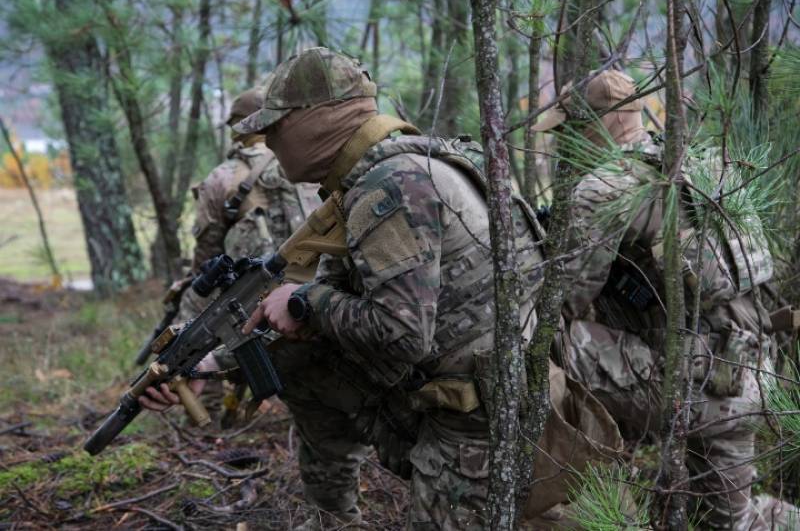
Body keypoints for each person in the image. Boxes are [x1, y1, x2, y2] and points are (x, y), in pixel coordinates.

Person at [143, 47, 548, 530]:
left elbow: (401, 332)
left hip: (481, 421)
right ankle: (330, 518)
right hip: (475, 388)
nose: (268, 143)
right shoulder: (389, 169)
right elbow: (340, 305)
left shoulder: (389, 187)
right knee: (297, 361)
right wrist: (213, 363)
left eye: (276, 129)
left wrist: (306, 300)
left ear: (315, 123)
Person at [533, 69, 798, 529]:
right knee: (732, 521)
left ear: (593, 127)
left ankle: (570, 482)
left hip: (684, 383)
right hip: (748, 380)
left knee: (539, 337)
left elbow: (566, 302)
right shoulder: (703, 164)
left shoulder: (602, 189)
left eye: (569, 132)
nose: (563, 146)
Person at [175, 86, 320, 323]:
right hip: (321, 294)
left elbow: (206, 260)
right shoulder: (309, 161)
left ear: (239, 127)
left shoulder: (224, 177)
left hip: (259, 309)